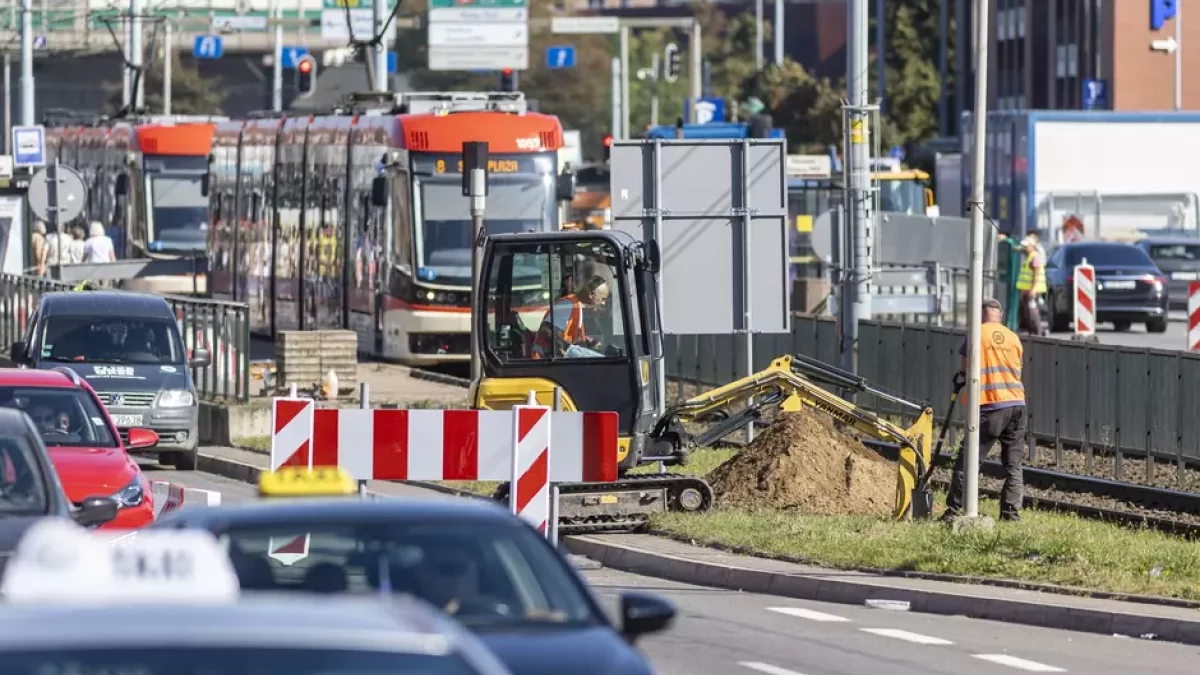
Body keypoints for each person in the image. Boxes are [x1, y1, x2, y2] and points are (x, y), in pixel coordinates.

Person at [944, 298, 1026, 522]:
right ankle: (1011, 515)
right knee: (1013, 466)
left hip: (990, 405)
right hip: (1017, 404)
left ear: (981, 315)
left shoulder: (976, 333)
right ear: (999, 315)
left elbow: (965, 367)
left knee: (968, 460)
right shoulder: (1014, 338)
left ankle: (955, 511)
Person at [530, 274, 610, 359]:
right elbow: (546, 330)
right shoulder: (568, 305)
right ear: (591, 294)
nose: (603, 303)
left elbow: (569, 336)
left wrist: (589, 341)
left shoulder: (576, 307)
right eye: (603, 298)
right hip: (546, 362)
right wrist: (568, 349)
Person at [1014, 233, 1046, 336]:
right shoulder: (1029, 256)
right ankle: (1031, 331)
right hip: (1026, 290)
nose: (1024, 248)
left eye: (1026, 246)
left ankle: (1037, 331)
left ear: (1031, 247)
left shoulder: (1035, 257)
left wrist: (1033, 289)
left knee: (1032, 310)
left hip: (1032, 290)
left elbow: (1036, 275)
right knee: (1027, 312)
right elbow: (1019, 249)